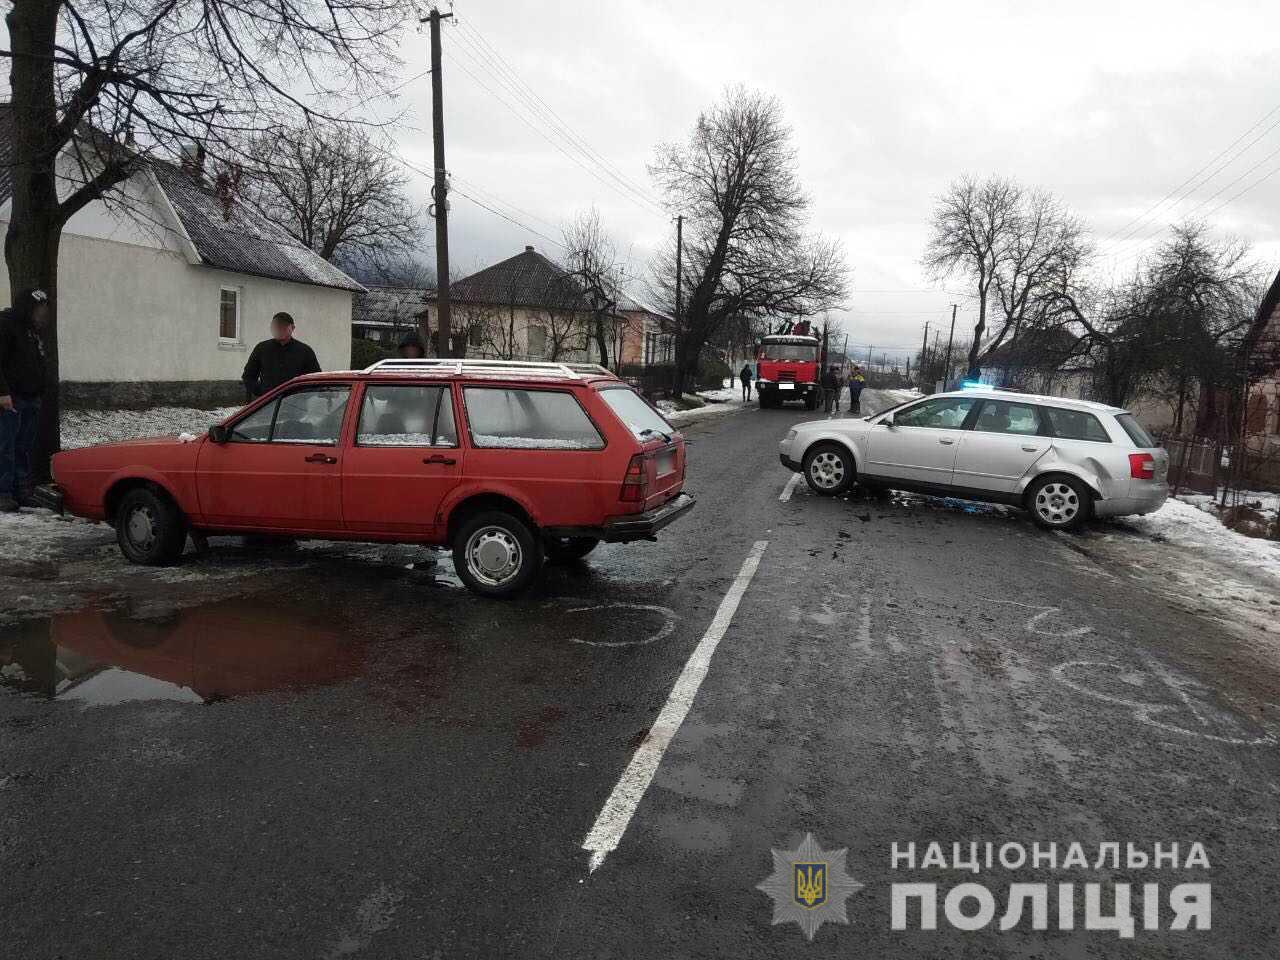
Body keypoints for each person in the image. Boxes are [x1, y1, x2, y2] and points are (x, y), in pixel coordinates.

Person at [0, 289, 51, 513]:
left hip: (31, 398)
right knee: (6, 447)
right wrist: (2, 393)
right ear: (27, 307)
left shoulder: (33, 332)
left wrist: (40, 390)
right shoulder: (6, 325)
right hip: (11, 398)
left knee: (23, 447)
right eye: (38, 308)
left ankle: (21, 491)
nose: (42, 313)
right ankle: (3, 493)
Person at [241, 312, 321, 399]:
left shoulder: (305, 351)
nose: (280, 329)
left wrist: (301, 395)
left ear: (292, 328)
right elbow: (248, 376)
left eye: (284, 326)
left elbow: (315, 379)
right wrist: (262, 392)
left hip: (295, 405)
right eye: (277, 326)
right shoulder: (262, 348)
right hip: (267, 405)